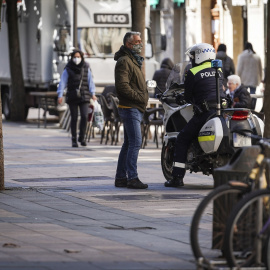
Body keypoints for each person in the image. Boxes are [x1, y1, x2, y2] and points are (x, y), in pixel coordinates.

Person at [164, 43, 225, 187]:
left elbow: (189, 95)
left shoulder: (193, 71)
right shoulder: (218, 69)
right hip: (222, 111)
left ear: (199, 55)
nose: (191, 59)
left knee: (182, 138)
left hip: (205, 112)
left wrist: (181, 98)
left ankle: (177, 178)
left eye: (192, 56)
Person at [114, 31, 149, 189]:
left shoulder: (133, 60)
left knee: (128, 143)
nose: (140, 44)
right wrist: (140, 97)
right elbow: (122, 87)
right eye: (137, 42)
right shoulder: (124, 61)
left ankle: (121, 177)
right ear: (128, 44)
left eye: (141, 41)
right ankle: (132, 178)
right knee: (135, 142)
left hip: (134, 107)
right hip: (130, 107)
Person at [57, 49, 96, 147]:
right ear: (72, 58)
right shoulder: (68, 68)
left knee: (84, 116)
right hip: (72, 95)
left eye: (78, 57)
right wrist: (60, 94)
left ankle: (82, 137)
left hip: (84, 95)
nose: (76, 59)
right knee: (74, 118)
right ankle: (74, 139)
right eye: (75, 57)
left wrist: (93, 93)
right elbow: (63, 82)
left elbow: (90, 81)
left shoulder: (86, 67)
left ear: (82, 57)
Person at [237, 42, 262, 109]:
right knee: (253, 94)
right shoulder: (257, 57)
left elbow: (239, 69)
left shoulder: (241, 56)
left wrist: (238, 77)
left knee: (244, 94)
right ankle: (252, 108)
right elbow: (260, 69)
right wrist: (261, 78)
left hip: (244, 79)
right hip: (254, 79)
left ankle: (246, 107)